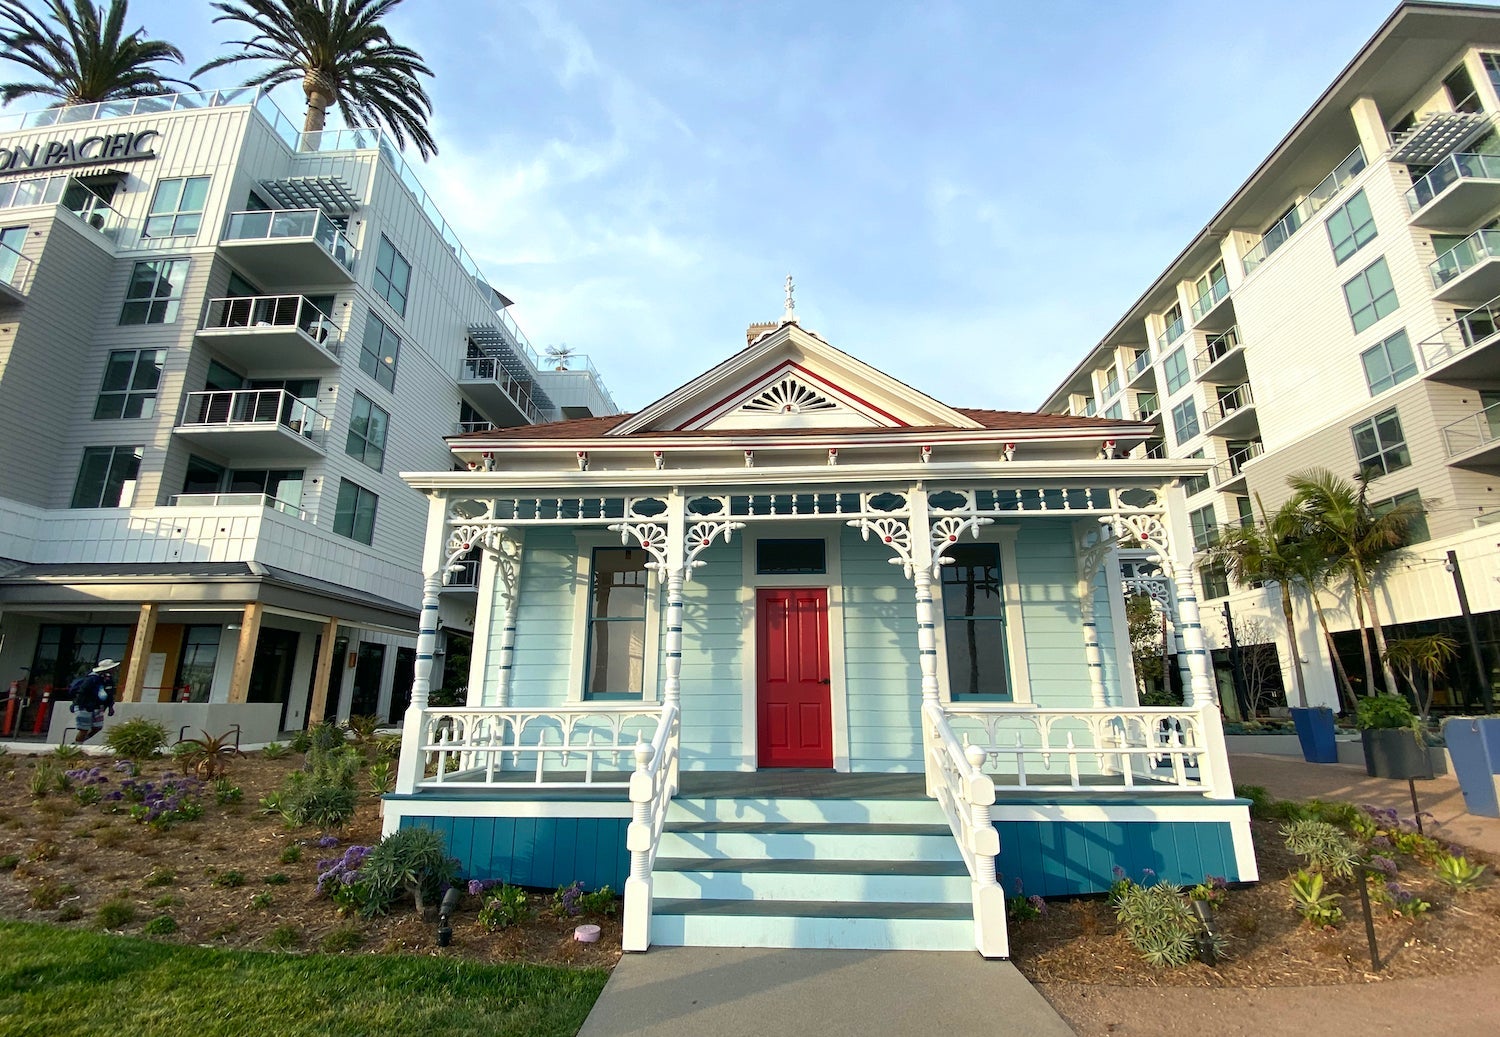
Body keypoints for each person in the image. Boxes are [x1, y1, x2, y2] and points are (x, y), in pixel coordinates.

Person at [68, 659, 118, 743]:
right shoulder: (91, 679)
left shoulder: (108, 680)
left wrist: (110, 707)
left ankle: (80, 741)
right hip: (85, 706)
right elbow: (82, 692)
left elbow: (110, 694)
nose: (113, 670)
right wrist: (77, 704)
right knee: (84, 729)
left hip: (98, 707)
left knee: (97, 727)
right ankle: (77, 745)